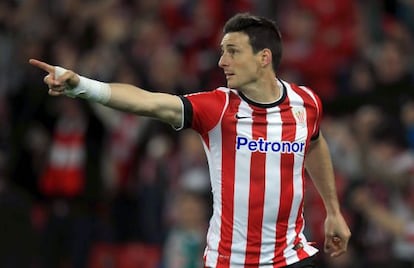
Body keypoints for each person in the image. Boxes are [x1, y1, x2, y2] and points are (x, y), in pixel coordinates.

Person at [29, 12, 351, 268]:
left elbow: (314, 143)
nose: (222, 62)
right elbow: (150, 102)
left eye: (233, 51)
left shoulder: (305, 103)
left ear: (263, 57)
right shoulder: (217, 108)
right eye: (222, 52)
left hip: (292, 257)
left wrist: (333, 210)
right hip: (232, 262)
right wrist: (83, 86)